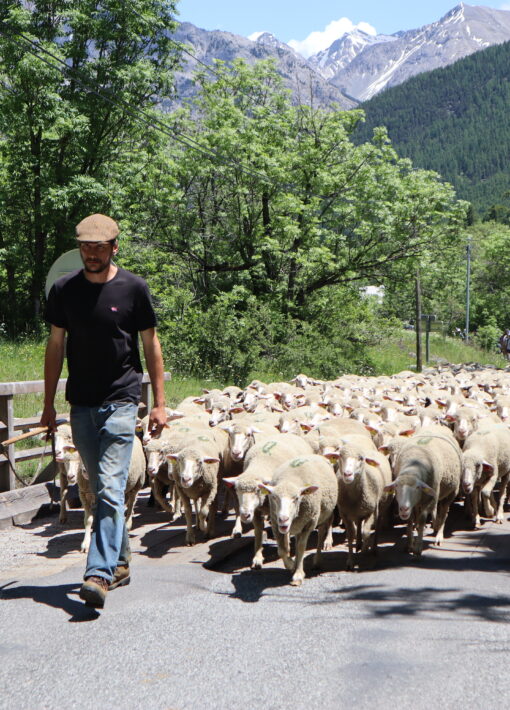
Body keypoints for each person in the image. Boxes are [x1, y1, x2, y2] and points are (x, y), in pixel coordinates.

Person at [40, 214, 167, 608]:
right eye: (85, 247)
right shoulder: (64, 290)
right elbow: (56, 346)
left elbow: (150, 345)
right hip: (82, 402)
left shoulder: (134, 288)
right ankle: (122, 561)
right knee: (100, 486)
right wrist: (47, 404)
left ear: (115, 246)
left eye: (99, 247)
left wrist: (160, 402)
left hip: (122, 400)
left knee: (110, 486)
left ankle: (98, 573)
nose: (91, 254)